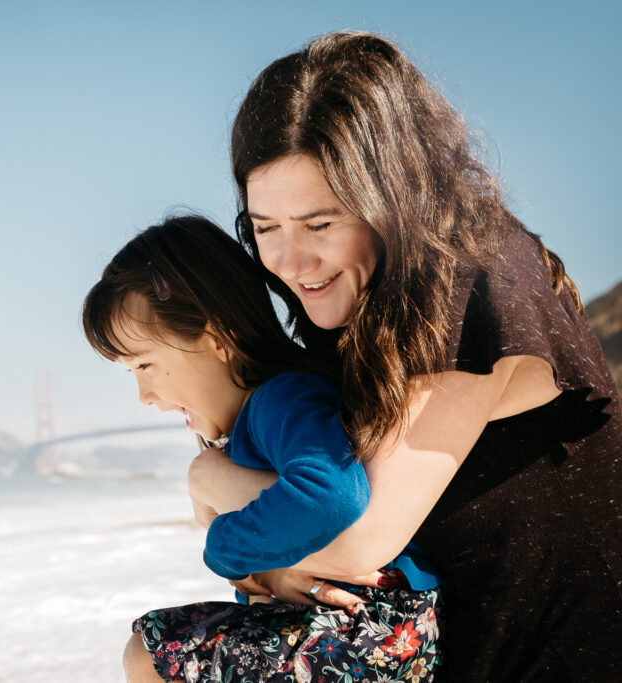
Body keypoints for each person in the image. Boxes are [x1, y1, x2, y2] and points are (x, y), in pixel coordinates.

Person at [223, 31, 622, 681]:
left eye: (320, 223)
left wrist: (221, 505)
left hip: (552, 661)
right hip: (450, 648)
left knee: (158, 654)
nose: (290, 262)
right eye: (266, 228)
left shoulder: (477, 279)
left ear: (392, 198)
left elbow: (354, 539)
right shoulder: (365, 307)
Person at [82, 215, 443, 683]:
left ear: (215, 337)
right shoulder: (257, 421)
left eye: (146, 364)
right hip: (373, 630)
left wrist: (222, 549)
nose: (144, 396)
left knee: (149, 653)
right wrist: (269, 575)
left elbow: (330, 492)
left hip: (377, 628)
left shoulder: (281, 399)